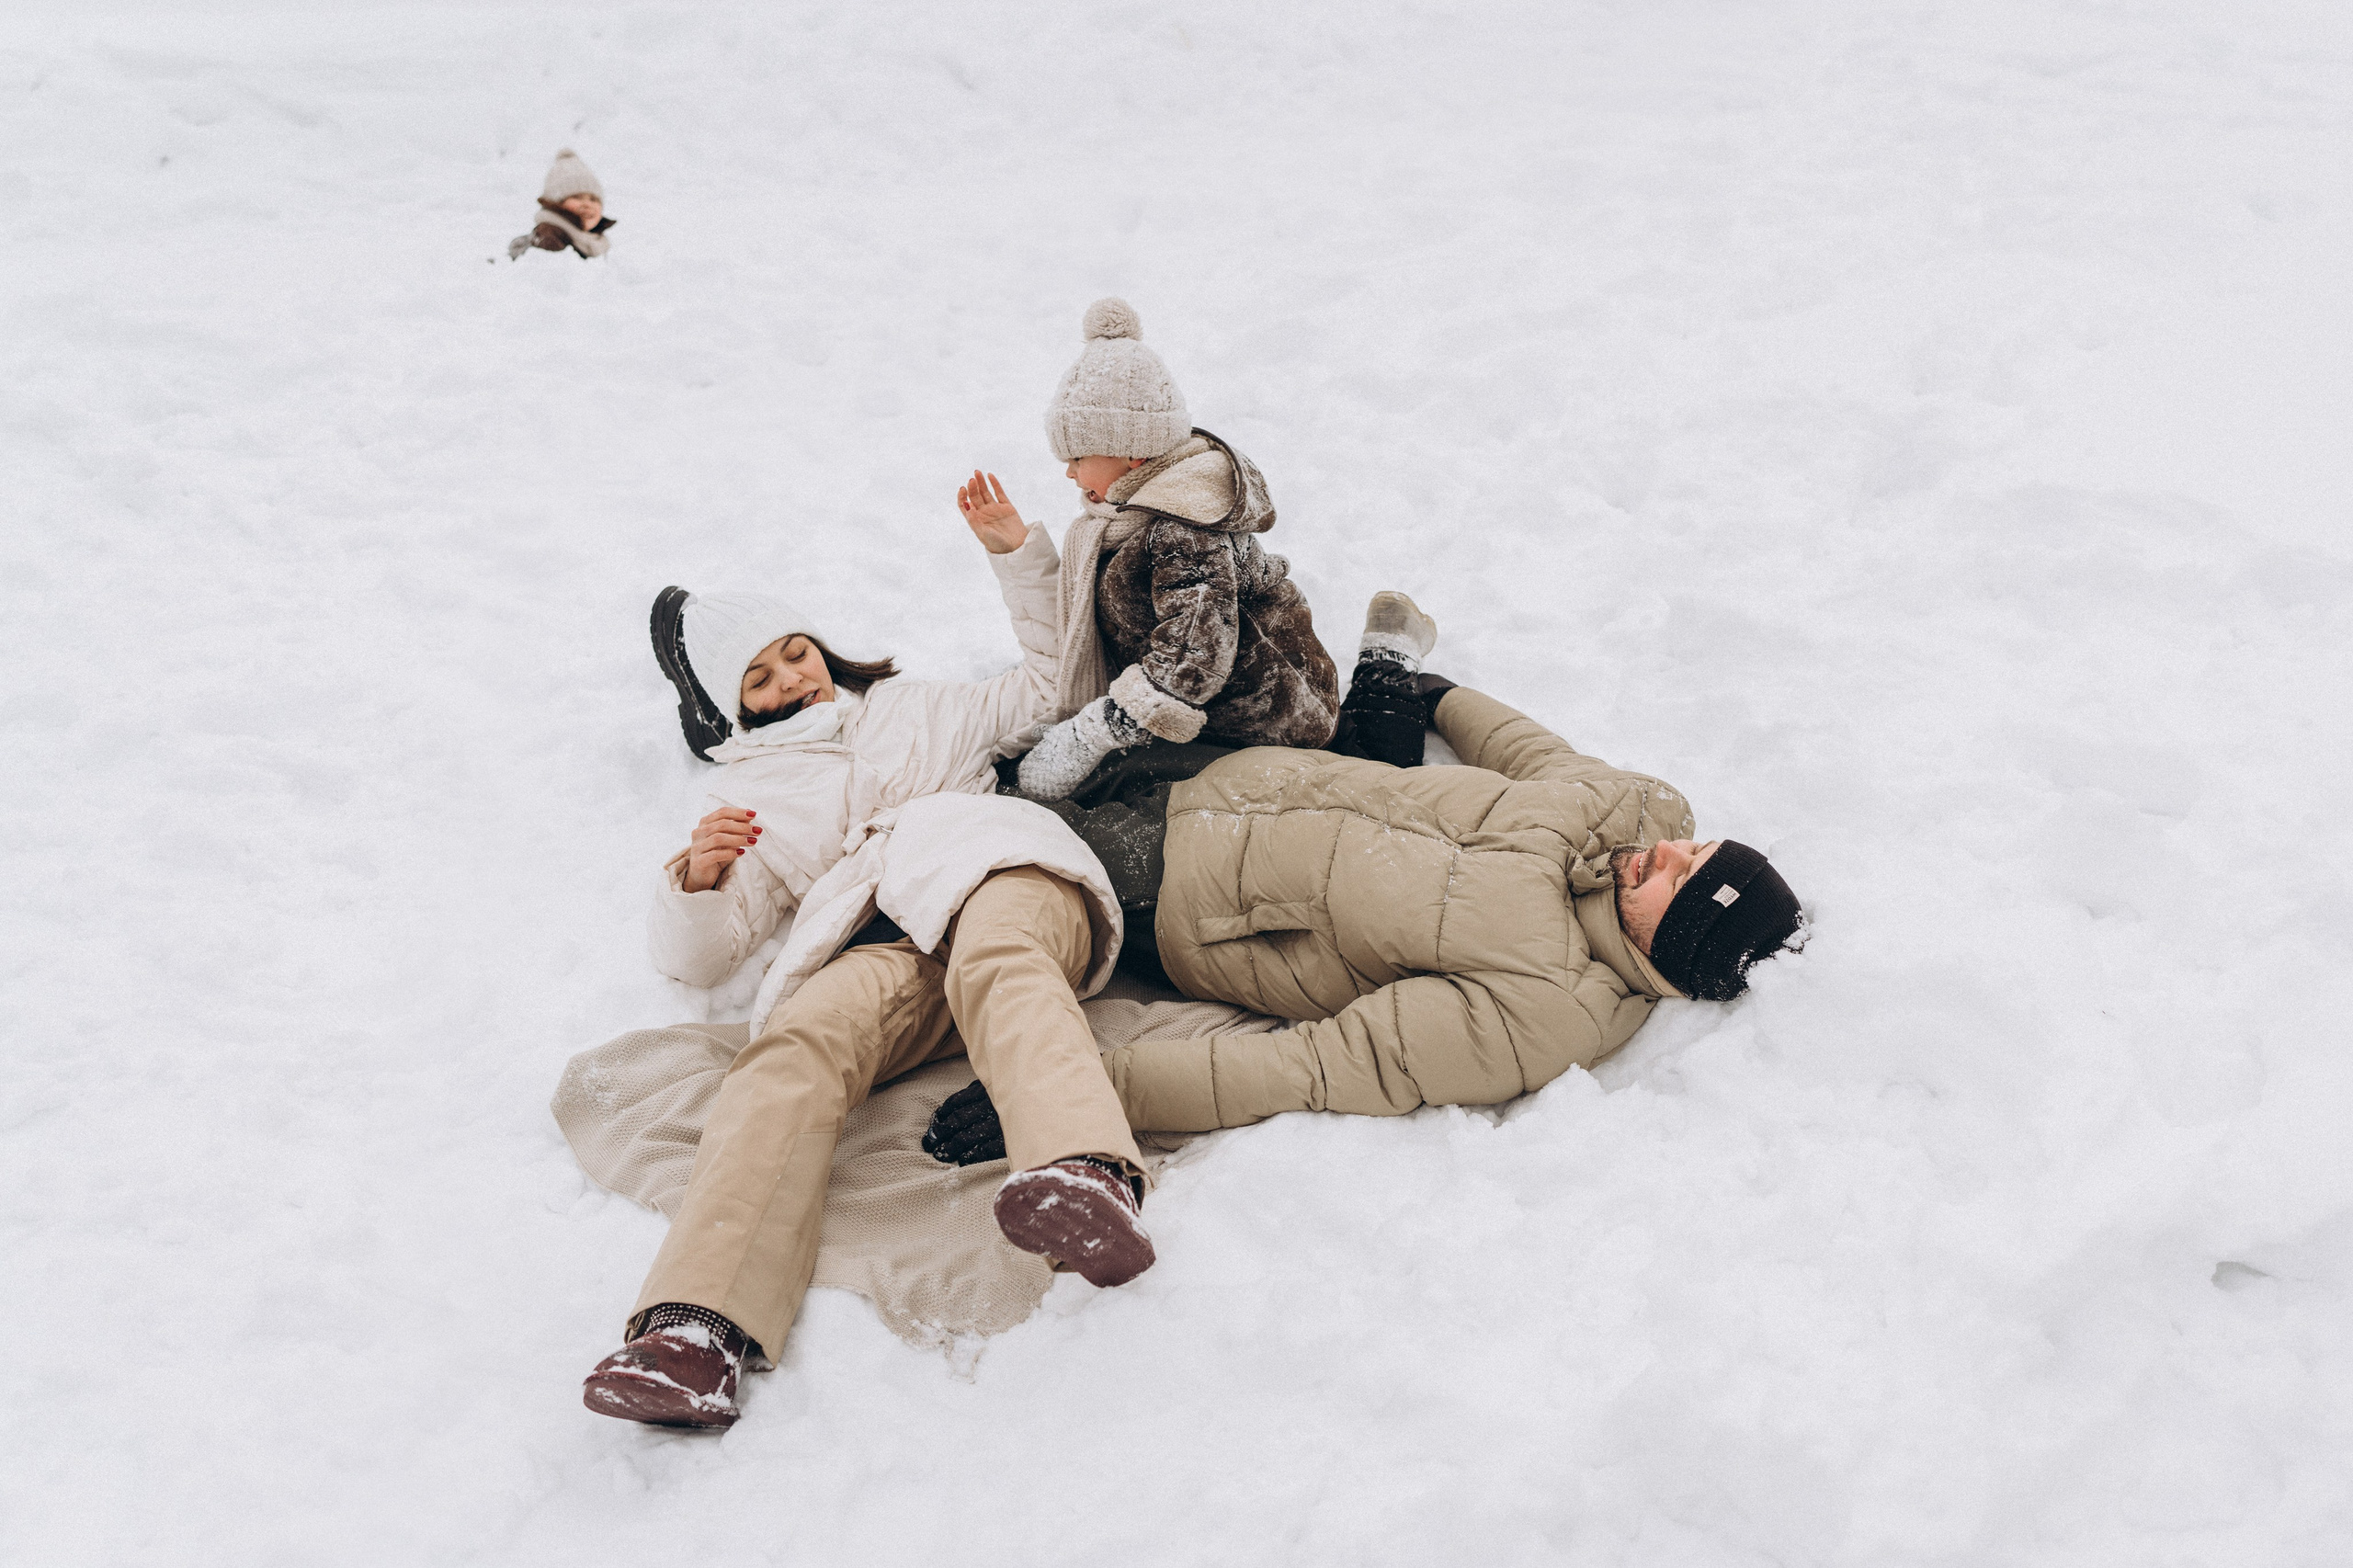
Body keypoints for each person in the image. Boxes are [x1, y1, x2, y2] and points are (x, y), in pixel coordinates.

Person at [585, 494, 1152, 1432]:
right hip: (887, 942)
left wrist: (1018, 558)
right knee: (792, 1048)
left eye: (795, 652)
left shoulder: (922, 707)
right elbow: (702, 959)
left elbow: (1059, 683)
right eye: (759, 677)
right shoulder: (756, 792)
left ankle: (1084, 1175)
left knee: (1000, 960)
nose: (791, 679)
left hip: (998, 874)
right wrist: (700, 878)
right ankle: (696, 1331)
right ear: (733, 706)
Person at [923, 593, 1804, 1162]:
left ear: (1667, 946)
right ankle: (1389, 680)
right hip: (1247, 772)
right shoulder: (1634, 816)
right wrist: (1444, 699)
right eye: (1695, 850)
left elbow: (1312, 1067)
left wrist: (1064, 1094)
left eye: (1678, 881)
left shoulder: (1543, 1013)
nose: (1666, 853)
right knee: (1040, 723)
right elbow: (1539, 753)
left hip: (1180, 888)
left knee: (950, 821)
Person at [1000, 298, 1342, 800]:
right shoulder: (1123, 519)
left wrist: (1089, 734)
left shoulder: (1184, 530)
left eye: (1077, 456)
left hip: (1274, 718)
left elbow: (1195, 651)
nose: (1068, 472)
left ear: (1132, 453)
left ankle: (1389, 661)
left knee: (1124, 794)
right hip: (1205, 710)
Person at [508, 148, 616, 261]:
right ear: (556, 204)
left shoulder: (594, 241)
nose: (587, 204)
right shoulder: (550, 237)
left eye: (593, 199)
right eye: (576, 197)